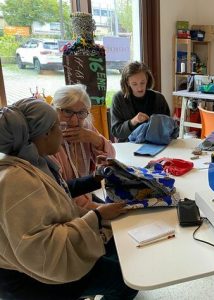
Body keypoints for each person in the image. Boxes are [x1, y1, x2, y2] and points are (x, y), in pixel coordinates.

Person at [0, 98, 138, 300]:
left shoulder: (34, 160)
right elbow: (45, 251)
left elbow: (59, 191)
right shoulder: (17, 181)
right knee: (125, 278)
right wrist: (97, 217)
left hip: (39, 263)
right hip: (31, 280)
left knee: (119, 243)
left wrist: (95, 178)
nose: (64, 130)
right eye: (59, 125)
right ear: (45, 134)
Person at [51, 84, 116, 209]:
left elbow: (111, 158)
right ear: (55, 109)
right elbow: (60, 190)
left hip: (86, 195)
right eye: (67, 111)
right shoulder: (49, 139)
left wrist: (95, 139)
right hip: (65, 205)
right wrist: (95, 207)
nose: (74, 120)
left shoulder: (85, 126)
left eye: (81, 112)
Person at [111, 61, 170, 142]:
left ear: (147, 79)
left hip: (155, 144)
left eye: (142, 83)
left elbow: (168, 126)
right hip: (127, 147)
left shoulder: (159, 98)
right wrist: (133, 121)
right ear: (127, 82)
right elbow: (116, 131)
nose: (140, 88)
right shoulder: (118, 99)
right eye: (134, 84)